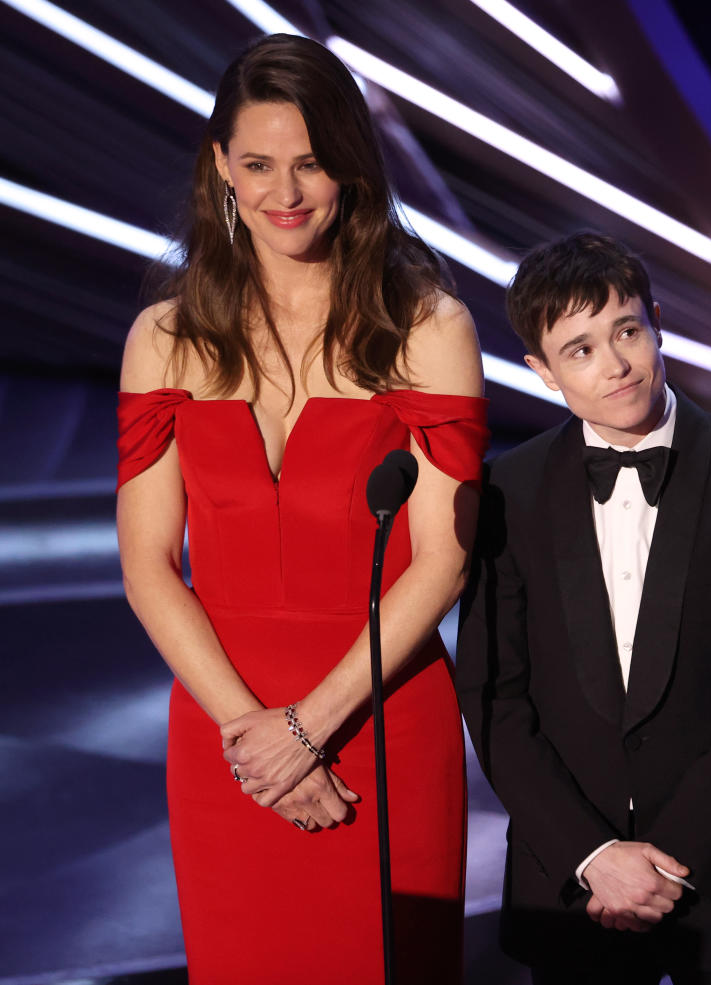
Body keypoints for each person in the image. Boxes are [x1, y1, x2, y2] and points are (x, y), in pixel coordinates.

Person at [116, 34, 487, 984]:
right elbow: (148, 564)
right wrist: (254, 733)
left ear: (351, 165)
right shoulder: (164, 337)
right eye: (259, 163)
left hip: (378, 714)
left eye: (312, 162)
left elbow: (441, 561)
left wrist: (305, 729)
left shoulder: (428, 325)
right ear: (220, 170)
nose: (287, 191)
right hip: (222, 728)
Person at [455, 231, 711, 984]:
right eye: (579, 349)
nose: (615, 364)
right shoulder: (508, 494)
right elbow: (495, 695)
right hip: (574, 886)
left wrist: (670, 861)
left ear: (656, 323)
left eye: (626, 331)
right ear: (542, 371)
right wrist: (595, 857)